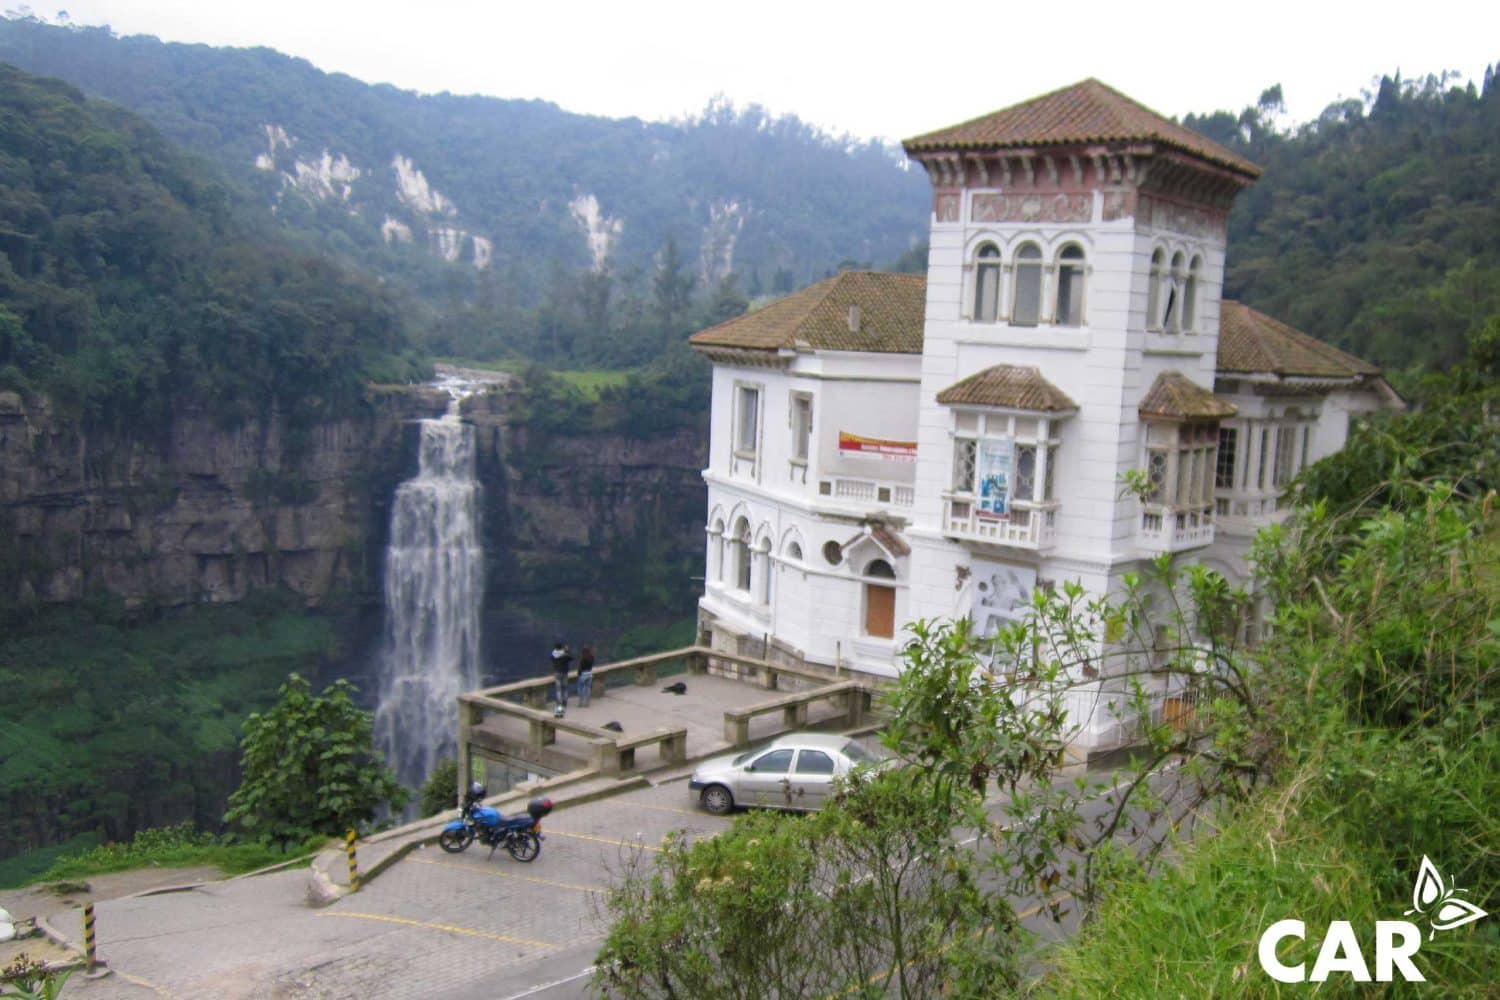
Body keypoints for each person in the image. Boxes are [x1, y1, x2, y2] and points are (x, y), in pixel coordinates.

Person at [549, 639, 573, 717]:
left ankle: (559, 702)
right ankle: (565, 702)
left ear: (555, 648)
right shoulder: (565, 655)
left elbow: (551, 659)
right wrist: (566, 651)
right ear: (561, 647)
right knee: (565, 688)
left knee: (558, 689)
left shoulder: (553, 654)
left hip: (557, 673)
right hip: (564, 673)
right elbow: (571, 658)